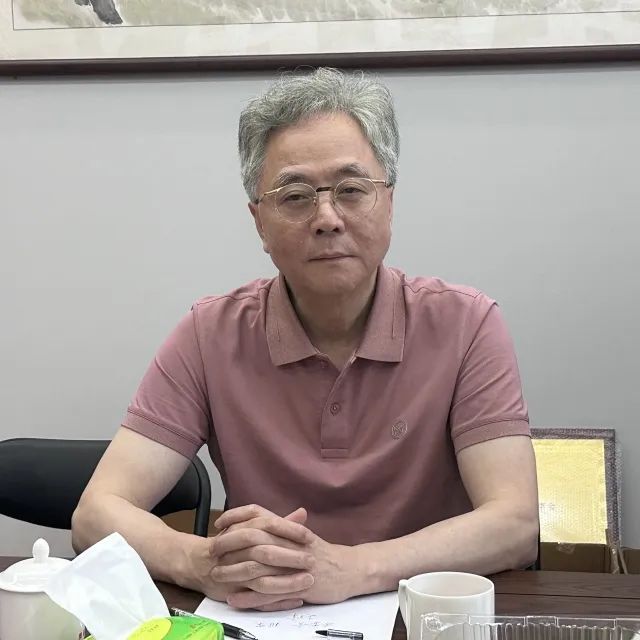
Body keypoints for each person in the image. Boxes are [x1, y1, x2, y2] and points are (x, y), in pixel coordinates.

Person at [72, 67, 539, 612]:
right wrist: (200, 562)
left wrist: (352, 568)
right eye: (295, 196)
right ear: (259, 223)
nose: (327, 218)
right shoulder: (209, 334)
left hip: (421, 616)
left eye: (351, 190)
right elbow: (94, 514)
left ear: (389, 202)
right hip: (267, 619)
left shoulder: (467, 324)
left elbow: (514, 524)